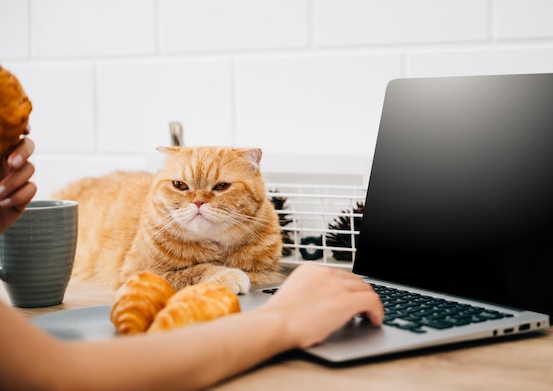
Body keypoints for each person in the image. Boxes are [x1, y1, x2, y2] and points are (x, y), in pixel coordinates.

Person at [0, 132, 384, 391]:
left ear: (255, 176)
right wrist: (206, 275)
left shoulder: (262, 229)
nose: (198, 201)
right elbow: (135, 276)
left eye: (220, 187)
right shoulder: (158, 227)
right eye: (180, 186)